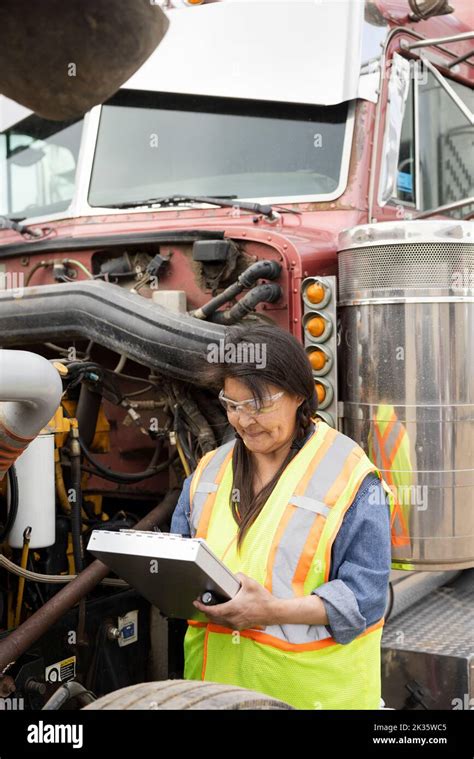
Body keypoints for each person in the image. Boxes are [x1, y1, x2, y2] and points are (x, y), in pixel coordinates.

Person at [170, 324, 392, 710]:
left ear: (299, 395)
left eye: (259, 405)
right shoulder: (208, 473)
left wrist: (269, 612)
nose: (244, 421)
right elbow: (179, 564)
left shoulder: (349, 476)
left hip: (313, 698)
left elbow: (364, 600)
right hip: (216, 695)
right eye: (232, 405)